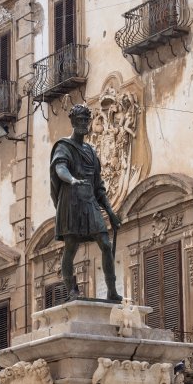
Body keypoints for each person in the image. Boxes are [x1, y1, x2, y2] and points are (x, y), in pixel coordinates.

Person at [50, 104, 122, 302]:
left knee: (106, 244)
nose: (83, 124)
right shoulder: (64, 146)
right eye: (80, 120)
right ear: (73, 122)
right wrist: (72, 180)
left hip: (89, 200)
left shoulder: (90, 151)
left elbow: (99, 186)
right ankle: (71, 290)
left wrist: (110, 211)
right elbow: (60, 168)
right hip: (71, 202)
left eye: (85, 120)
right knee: (71, 246)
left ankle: (111, 291)